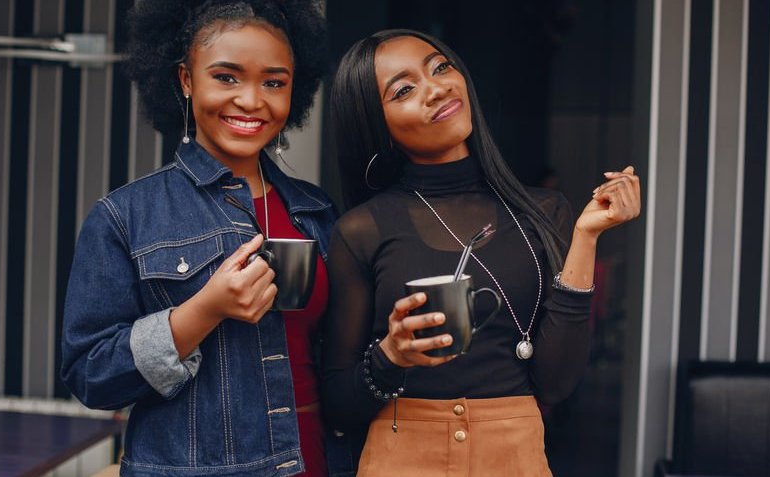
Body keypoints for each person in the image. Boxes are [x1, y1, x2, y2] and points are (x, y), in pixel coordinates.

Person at [321, 29, 641, 476]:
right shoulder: (361, 230)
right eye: (405, 90)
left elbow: (555, 383)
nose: (436, 88)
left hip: (515, 457)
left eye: (440, 67)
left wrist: (587, 237)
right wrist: (390, 356)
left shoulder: (545, 212)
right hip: (401, 458)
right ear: (378, 124)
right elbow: (337, 404)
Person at [60, 2, 336, 476]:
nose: (252, 100)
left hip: (322, 461)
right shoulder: (126, 217)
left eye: (274, 82)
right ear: (187, 80)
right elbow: (91, 378)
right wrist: (204, 310)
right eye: (227, 77)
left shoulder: (315, 211)